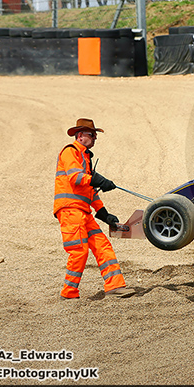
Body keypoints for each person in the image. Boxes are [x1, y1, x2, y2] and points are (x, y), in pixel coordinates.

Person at [54, 118, 135, 299]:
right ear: (81, 135)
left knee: (102, 245)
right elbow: (76, 178)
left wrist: (104, 214)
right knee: (79, 251)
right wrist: (99, 180)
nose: (95, 138)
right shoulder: (70, 152)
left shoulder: (85, 158)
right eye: (92, 135)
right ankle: (69, 293)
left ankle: (115, 286)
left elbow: (88, 190)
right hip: (70, 211)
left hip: (82, 211)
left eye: (95, 135)